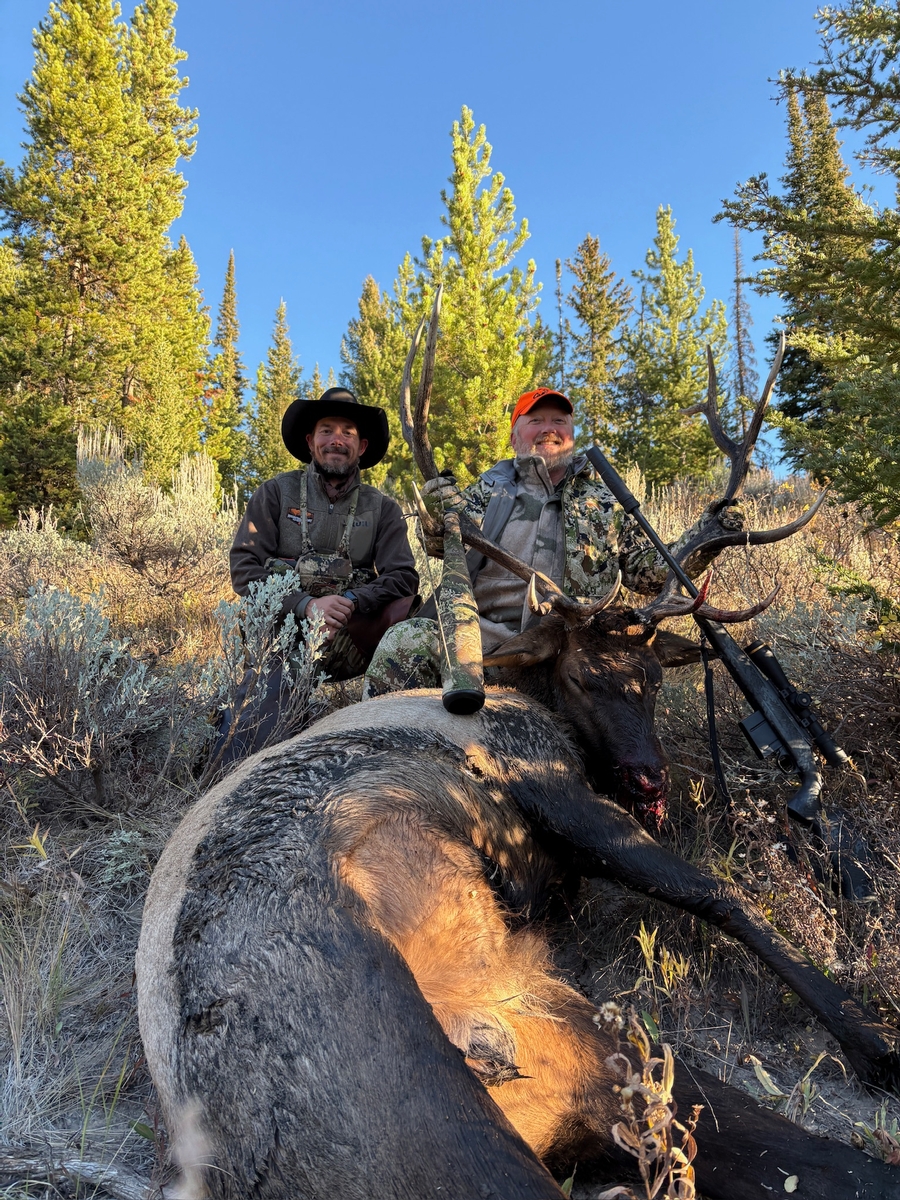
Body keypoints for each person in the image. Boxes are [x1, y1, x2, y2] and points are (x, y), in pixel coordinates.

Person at [362, 386, 742, 697]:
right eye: (535, 420)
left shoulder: (606, 500)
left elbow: (650, 574)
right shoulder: (486, 490)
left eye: (559, 421)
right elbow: (442, 545)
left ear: (572, 435)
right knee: (406, 639)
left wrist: (706, 538)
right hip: (482, 641)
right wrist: (435, 516)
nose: (549, 428)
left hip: (574, 649)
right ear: (514, 437)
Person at [216, 387, 419, 765]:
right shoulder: (276, 493)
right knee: (254, 741)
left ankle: (400, 758)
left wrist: (352, 603)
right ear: (310, 441)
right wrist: (306, 606)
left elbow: (403, 577)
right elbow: (245, 569)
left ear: (362, 446)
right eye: (327, 430)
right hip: (284, 636)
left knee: (422, 635)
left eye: (348, 432)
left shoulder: (383, 508)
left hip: (353, 640)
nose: (337, 440)